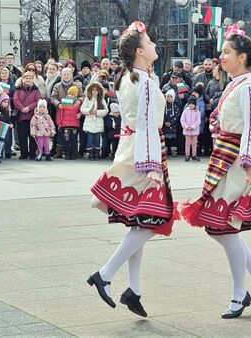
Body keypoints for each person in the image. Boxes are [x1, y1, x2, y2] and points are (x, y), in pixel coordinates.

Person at [181, 24, 251, 319]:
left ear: (244, 56)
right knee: (220, 227)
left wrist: (248, 164)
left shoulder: (248, 86)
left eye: (226, 52)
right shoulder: (237, 83)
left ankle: (240, 294)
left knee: (225, 226)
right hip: (226, 155)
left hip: (237, 160)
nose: (221, 56)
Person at [88, 21, 179, 317]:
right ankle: (105, 272)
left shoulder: (129, 78)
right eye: (149, 42)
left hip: (131, 148)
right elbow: (147, 125)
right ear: (140, 51)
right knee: (153, 218)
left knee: (139, 221)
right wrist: (152, 166)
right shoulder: (146, 82)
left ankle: (134, 289)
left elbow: (136, 123)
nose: (154, 46)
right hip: (144, 152)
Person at [13, 72, 42, 159]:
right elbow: (15, 100)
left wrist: (29, 108)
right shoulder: (18, 89)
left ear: (33, 80)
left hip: (32, 116)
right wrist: (22, 108)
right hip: (21, 117)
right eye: (26, 78)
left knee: (33, 136)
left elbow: (38, 101)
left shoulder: (36, 90)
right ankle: (24, 153)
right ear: (23, 79)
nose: (28, 80)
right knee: (22, 137)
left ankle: (32, 153)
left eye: (30, 78)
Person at [81, 81, 108, 161]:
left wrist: (97, 112)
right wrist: (89, 111)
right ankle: (90, 153)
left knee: (97, 139)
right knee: (90, 139)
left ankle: (96, 153)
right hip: (89, 122)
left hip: (98, 122)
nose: (94, 92)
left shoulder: (101, 100)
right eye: (92, 90)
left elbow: (106, 110)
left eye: (96, 90)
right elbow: (82, 109)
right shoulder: (87, 99)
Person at [56, 86, 82, 160]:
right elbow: (60, 114)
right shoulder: (64, 102)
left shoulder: (77, 102)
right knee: (66, 140)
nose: (71, 95)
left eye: (73, 94)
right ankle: (67, 153)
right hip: (65, 124)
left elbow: (81, 110)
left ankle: (72, 154)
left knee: (73, 140)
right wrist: (59, 123)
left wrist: (80, 114)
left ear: (75, 95)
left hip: (74, 124)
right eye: (70, 94)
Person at [181, 96, 201, 161]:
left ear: (195, 104)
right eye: (190, 104)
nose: (191, 105)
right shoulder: (185, 111)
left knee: (194, 143)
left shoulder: (197, 112)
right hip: (187, 131)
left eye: (193, 104)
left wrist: (193, 127)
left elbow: (198, 121)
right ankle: (187, 155)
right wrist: (186, 127)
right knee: (187, 143)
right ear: (188, 104)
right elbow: (182, 120)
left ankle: (194, 155)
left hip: (194, 131)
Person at [163, 89, 180, 157]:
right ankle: (165, 151)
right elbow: (161, 114)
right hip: (165, 126)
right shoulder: (164, 106)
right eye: (168, 96)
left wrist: (171, 123)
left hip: (173, 126)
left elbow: (177, 115)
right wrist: (165, 122)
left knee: (173, 140)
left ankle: (173, 151)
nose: (169, 98)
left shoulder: (175, 106)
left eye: (171, 97)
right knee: (166, 139)